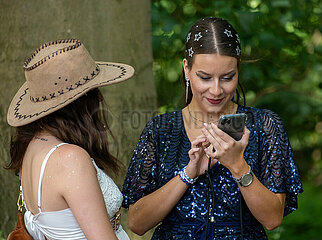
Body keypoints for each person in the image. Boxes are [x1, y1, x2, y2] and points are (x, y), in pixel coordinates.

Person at [122, 17, 303, 239]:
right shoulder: (160, 130)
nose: (216, 90)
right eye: (205, 77)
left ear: (238, 70)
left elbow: (273, 219)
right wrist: (189, 173)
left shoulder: (265, 126)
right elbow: (137, 223)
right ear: (187, 69)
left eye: (227, 77)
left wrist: (238, 166)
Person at [6, 39, 134, 240]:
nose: (100, 99)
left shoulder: (31, 148)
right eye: (95, 91)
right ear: (83, 101)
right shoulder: (70, 158)